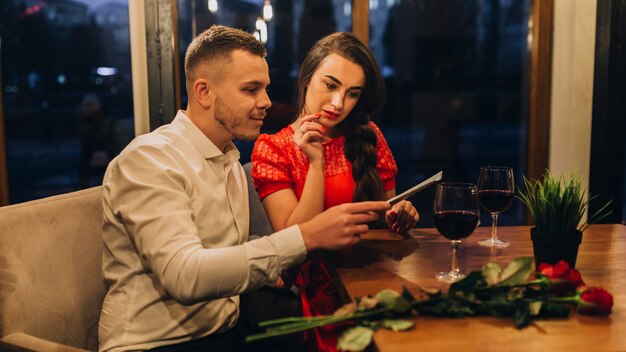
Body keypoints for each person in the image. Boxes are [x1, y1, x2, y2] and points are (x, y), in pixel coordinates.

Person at [98, 25, 390, 352]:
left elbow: (225, 253)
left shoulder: (231, 164)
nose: (266, 102)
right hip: (156, 344)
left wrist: (270, 272)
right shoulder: (150, 160)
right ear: (204, 92)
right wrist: (306, 237)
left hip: (226, 333)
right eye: (251, 90)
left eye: (265, 88)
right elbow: (184, 276)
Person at [251, 32, 420, 351]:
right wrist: (315, 164)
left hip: (377, 284)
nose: (339, 103)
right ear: (306, 79)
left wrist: (400, 216)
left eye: (353, 93)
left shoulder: (369, 137)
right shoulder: (273, 149)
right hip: (322, 298)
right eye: (330, 85)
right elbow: (294, 239)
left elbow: (385, 219)